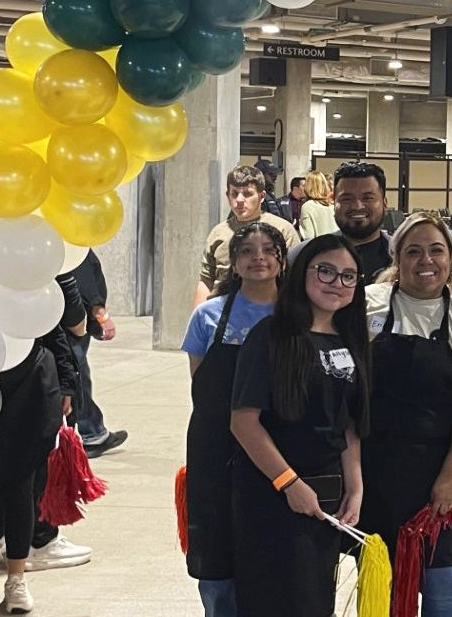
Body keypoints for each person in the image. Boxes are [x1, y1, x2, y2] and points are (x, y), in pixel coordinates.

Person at [362, 213, 452, 617]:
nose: (426, 260)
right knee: (380, 594)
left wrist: (450, 477)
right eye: (413, 251)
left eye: (437, 250)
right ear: (397, 258)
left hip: (439, 484)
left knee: (443, 594)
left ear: (451, 258)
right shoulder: (366, 306)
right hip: (374, 477)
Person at [229, 234, 369, 617]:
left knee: (314, 602)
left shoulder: (350, 340)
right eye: (325, 271)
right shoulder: (271, 336)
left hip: (323, 499)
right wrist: (288, 483)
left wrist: (354, 486)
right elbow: (243, 422)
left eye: (348, 276)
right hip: (271, 495)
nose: (336, 283)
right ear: (302, 273)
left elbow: (348, 423)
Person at [0, 273, 81, 616]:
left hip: (28, 386)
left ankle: (16, 580)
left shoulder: (26, 273)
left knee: (21, 487)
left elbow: (51, 326)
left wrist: (67, 381)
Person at [182, 222, 286, 617]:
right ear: (234, 264)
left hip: (278, 451)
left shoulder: (297, 314)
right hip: (215, 452)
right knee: (217, 553)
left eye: (267, 250)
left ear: (280, 259)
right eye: (247, 251)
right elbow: (202, 385)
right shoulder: (207, 317)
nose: (258, 257)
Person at [197, 165, 300, 306]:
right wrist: (197, 318)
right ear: (228, 196)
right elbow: (206, 279)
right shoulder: (218, 232)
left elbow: (296, 278)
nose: (239, 200)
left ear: (261, 196)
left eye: (247, 194)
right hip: (220, 313)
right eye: (234, 194)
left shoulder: (282, 229)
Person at [68, 250, 127, 458]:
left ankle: (92, 432)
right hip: (72, 322)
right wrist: (101, 316)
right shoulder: (73, 244)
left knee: (77, 374)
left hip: (65, 319)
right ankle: (92, 434)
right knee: (75, 375)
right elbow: (82, 279)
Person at [333, 160, 393, 286]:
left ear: (384, 203)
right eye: (347, 199)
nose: (357, 206)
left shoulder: (402, 258)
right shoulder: (307, 256)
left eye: (368, 198)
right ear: (334, 203)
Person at [298, 170, 341, 240]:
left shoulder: (307, 207)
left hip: (319, 248)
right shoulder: (334, 205)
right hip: (337, 246)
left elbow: (308, 236)